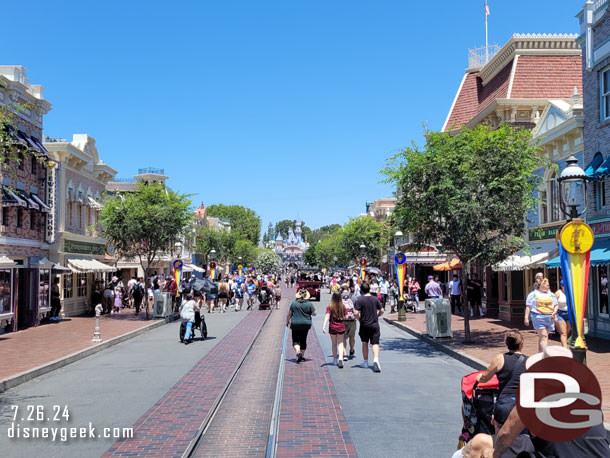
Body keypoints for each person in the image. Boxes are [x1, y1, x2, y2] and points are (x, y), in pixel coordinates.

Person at [476, 329, 527, 427]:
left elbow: (484, 378)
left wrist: (479, 377)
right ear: (521, 344)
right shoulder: (529, 361)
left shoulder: (500, 358)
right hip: (521, 406)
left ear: (506, 343)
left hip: (505, 404)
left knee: (500, 439)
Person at [354, 282, 384, 372]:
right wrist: (377, 316)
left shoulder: (359, 300)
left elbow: (355, 312)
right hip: (374, 324)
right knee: (375, 343)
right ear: (369, 289)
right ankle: (376, 359)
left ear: (361, 290)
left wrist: (359, 319)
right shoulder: (375, 299)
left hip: (364, 324)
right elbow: (382, 310)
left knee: (364, 342)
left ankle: (366, 362)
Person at [525, 278, 558, 352]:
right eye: (546, 285)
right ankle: (544, 356)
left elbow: (556, 305)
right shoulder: (533, 294)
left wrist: (554, 312)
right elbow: (528, 306)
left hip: (549, 318)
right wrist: (526, 317)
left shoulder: (551, 295)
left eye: (548, 285)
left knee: (543, 337)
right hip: (538, 317)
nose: (548, 287)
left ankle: (540, 352)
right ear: (541, 286)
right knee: (544, 336)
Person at [286, 286, 316, 363]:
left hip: (295, 323)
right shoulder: (309, 304)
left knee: (295, 340)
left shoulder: (293, 303)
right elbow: (313, 313)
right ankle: (301, 355)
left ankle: (298, 352)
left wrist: (287, 321)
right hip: (306, 324)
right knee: (303, 339)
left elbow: (289, 314)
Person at [322, 292, 346, 367]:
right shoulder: (343, 306)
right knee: (341, 343)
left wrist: (324, 325)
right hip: (341, 326)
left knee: (334, 343)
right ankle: (341, 358)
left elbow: (327, 315)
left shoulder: (330, 306)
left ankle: (335, 359)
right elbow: (345, 316)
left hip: (332, 326)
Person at [554, 280, 571, 349]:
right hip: (560, 313)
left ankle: (564, 344)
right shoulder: (558, 293)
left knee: (567, 332)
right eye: (564, 286)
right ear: (561, 286)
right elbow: (553, 304)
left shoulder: (570, 292)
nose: (565, 287)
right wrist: (554, 314)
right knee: (563, 332)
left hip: (569, 313)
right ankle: (565, 349)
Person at [341, 286, 357, 359]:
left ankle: (344, 354)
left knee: (343, 338)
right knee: (352, 337)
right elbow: (356, 308)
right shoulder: (353, 296)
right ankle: (351, 350)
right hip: (352, 320)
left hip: (342, 319)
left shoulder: (339, 296)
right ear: (348, 289)